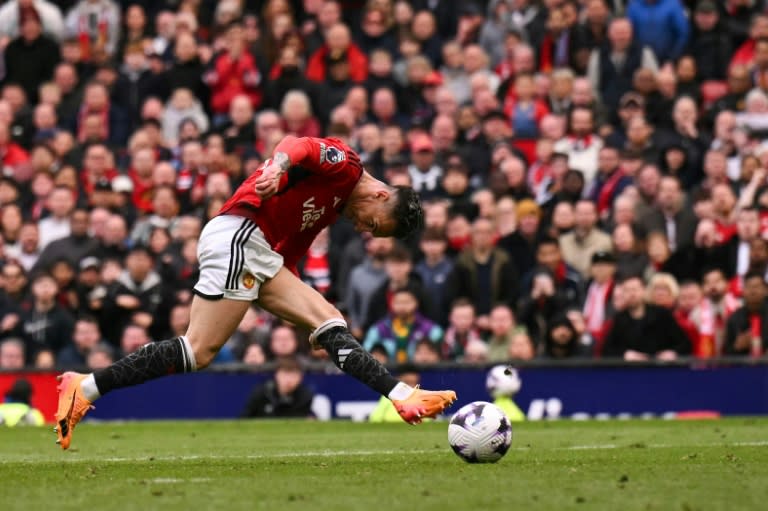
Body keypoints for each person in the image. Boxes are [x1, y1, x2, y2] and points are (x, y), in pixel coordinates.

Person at [55, 135, 456, 449]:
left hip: (257, 250)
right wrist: (279, 167)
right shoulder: (346, 166)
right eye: (375, 224)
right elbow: (297, 146)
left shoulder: (333, 207)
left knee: (327, 321)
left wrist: (297, 309)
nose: (365, 229)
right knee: (198, 349)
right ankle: (85, 387)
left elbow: (292, 254)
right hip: (241, 234)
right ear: (382, 196)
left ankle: (402, 394)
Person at [241, 358, 315, 418]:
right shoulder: (262, 393)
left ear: (300, 378)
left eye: (293, 375)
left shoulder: (305, 396)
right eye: (285, 374)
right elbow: (244, 418)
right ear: (277, 375)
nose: (289, 380)